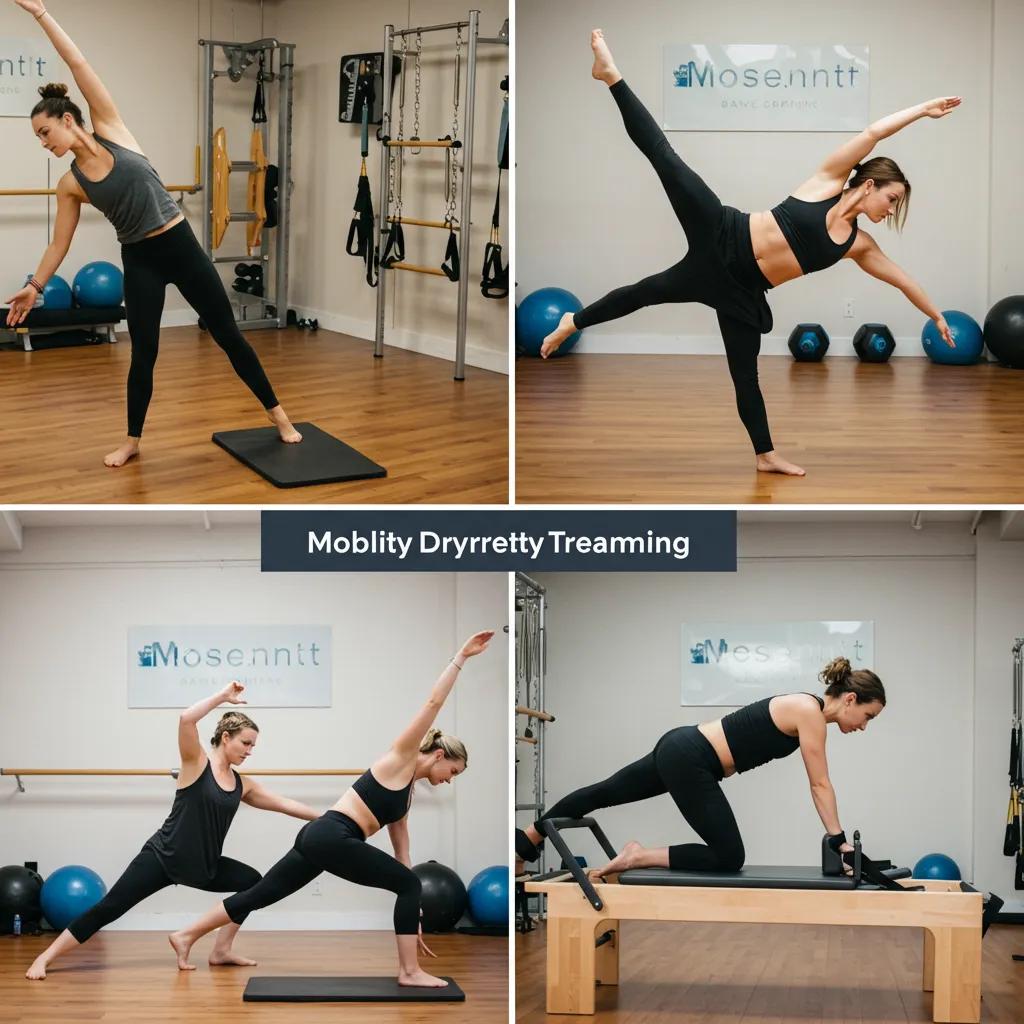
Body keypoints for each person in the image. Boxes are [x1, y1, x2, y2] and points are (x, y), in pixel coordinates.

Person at [540, 29, 959, 477]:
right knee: (665, 163)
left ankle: (765, 455)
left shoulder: (857, 245)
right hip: (722, 232)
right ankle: (611, 76)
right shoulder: (829, 180)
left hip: (740, 290)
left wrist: (934, 315)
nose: (890, 210)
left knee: (743, 374)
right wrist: (923, 110)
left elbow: (902, 279)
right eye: (892, 199)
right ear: (870, 184)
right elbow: (874, 131)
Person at [5, 0, 301, 468]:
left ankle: (280, 417)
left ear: (67, 120)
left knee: (228, 335)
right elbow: (58, 244)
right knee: (144, 352)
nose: (44, 143)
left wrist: (41, 13)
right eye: (39, 138)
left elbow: (78, 64)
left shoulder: (111, 130)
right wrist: (35, 286)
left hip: (180, 245)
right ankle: (132, 440)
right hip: (139, 259)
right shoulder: (70, 184)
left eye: (45, 132)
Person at [167, 630, 495, 988]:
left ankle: (186, 935)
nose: (450, 779)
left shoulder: (407, 793)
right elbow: (432, 704)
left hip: (321, 837)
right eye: (453, 771)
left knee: (261, 894)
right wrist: (460, 657)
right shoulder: (400, 757)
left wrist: (410, 906)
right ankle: (409, 972)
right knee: (406, 885)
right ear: (438, 755)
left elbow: (403, 852)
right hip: (333, 835)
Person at [26, 682, 322, 980]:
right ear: (226, 737)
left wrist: (331, 817)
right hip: (162, 858)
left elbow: (285, 804)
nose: (250, 751)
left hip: (204, 867)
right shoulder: (196, 763)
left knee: (251, 883)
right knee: (109, 908)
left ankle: (221, 951)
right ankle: (45, 958)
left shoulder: (243, 784)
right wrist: (222, 696)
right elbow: (186, 719)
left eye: (253, 746)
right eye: (246, 743)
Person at [515, 657, 885, 875]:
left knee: (605, 792)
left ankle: (527, 840)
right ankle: (638, 855)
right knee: (729, 857)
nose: (864, 726)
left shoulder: (807, 711)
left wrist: (837, 840)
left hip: (684, 747)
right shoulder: (810, 712)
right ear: (850, 698)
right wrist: (839, 841)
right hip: (692, 757)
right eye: (867, 715)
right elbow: (820, 784)